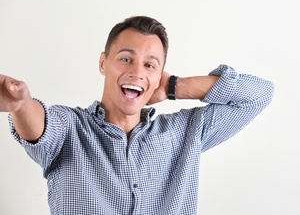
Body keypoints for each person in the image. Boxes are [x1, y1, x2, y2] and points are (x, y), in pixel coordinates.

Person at [0, 16, 274, 215]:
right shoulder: (71, 129)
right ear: (103, 63)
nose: (137, 72)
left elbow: (259, 95)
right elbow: (40, 126)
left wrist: (174, 86)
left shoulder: (184, 133)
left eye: (150, 65)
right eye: (126, 59)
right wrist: (21, 104)